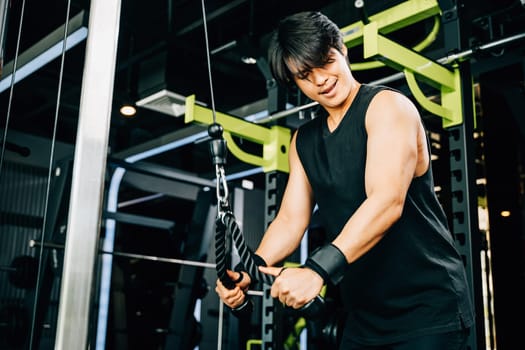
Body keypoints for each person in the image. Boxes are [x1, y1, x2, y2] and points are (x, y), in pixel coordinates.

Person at [215, 10, 475, 350]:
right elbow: (291, 220)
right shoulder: (304, 141)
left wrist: (316, 271)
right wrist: (251, 268)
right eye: (306, 75)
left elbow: (386, 202)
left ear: (342, 50)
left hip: (428, 311)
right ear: (295, 82)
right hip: (363, 318)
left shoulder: (387, 108)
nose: (321, 79)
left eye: (326, 61)